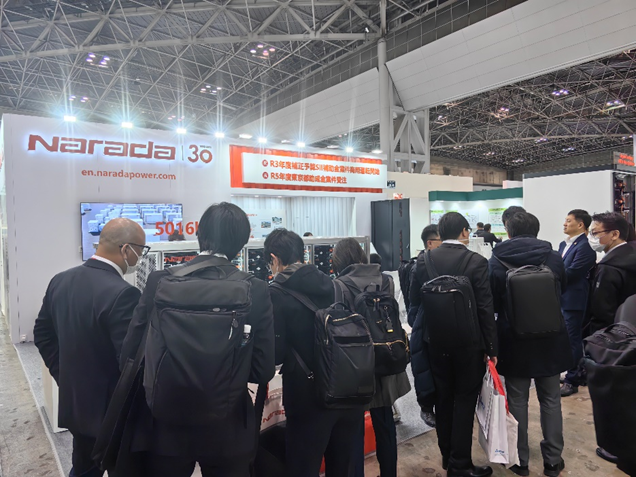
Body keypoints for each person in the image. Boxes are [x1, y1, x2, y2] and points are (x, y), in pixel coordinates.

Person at [118, 203, 275, 477]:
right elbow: (262, 370)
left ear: (199, 234)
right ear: (242, 242)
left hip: (166, 423)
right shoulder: (256, 289)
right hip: (229, 427)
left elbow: (131, 355)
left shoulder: (159, 281)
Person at [34, 218, 146, 477]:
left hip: (76, 406)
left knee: (84, 469)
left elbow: (42, 335)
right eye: (141, 250)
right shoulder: (124, 294)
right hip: (113, 416)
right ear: (126, 249)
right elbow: (131, 363)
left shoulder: (60, 280)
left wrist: (64, 375)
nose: (140, 257)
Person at [265, 229, 361, 476]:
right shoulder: (335, 284)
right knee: (342, 467)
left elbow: (275, 355)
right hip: (347, 389)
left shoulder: (276, 293)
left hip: (308, 398)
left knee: (303, 467)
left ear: (274, 259)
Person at [410, 212, 497, 477]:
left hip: (434, 343)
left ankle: (448, 457)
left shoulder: (424, 260)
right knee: (465, 401)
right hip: (469, 345)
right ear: (464, 232)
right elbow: (485, 308)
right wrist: (491, 348)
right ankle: (460, 464)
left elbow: (414, 304)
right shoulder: (477, 262)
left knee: (443, 399)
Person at [489, 212, 570, 477]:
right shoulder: (553, 257)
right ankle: (553, 461)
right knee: (551, 399)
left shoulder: (497, 259)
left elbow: (493, 301)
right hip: (551, 337)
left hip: (514, 339)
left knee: (517, 400)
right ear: (536, 230)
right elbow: (562, 289)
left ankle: (520, 460)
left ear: (508, 231)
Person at [333, 238, 411, 477]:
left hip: (356, 365)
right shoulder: (386, 280)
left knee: (354, 428)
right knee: (385, 422)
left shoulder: (339, 285)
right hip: (386, 357)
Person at [585, 211, 636, 465]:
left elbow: (601, 311)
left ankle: (617, 448)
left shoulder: (609, 268)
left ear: (614, 234)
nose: (592, 238)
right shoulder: (631, 255)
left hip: (615, 343)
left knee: (614, 399)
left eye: (595, 233)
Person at [558, 209, 596, 397]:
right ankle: (571, 372)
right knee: (566, 339)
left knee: (573, 340)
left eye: (568, 221)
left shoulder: (585, 247)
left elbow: (572, 273)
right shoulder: (563, 244)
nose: (564, 224)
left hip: (574, 300)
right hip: (562, 298)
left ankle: (572, 380)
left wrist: (552, 275)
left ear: (580, 225)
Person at [408, 224, 442, 428]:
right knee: (424, 367)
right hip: (424, 321)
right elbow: (412, 299)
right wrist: (416, 323)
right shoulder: (419, 266)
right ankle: (427, 407)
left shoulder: (444, 261)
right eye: (440, 240)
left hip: (441, 324)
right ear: (430, 243)